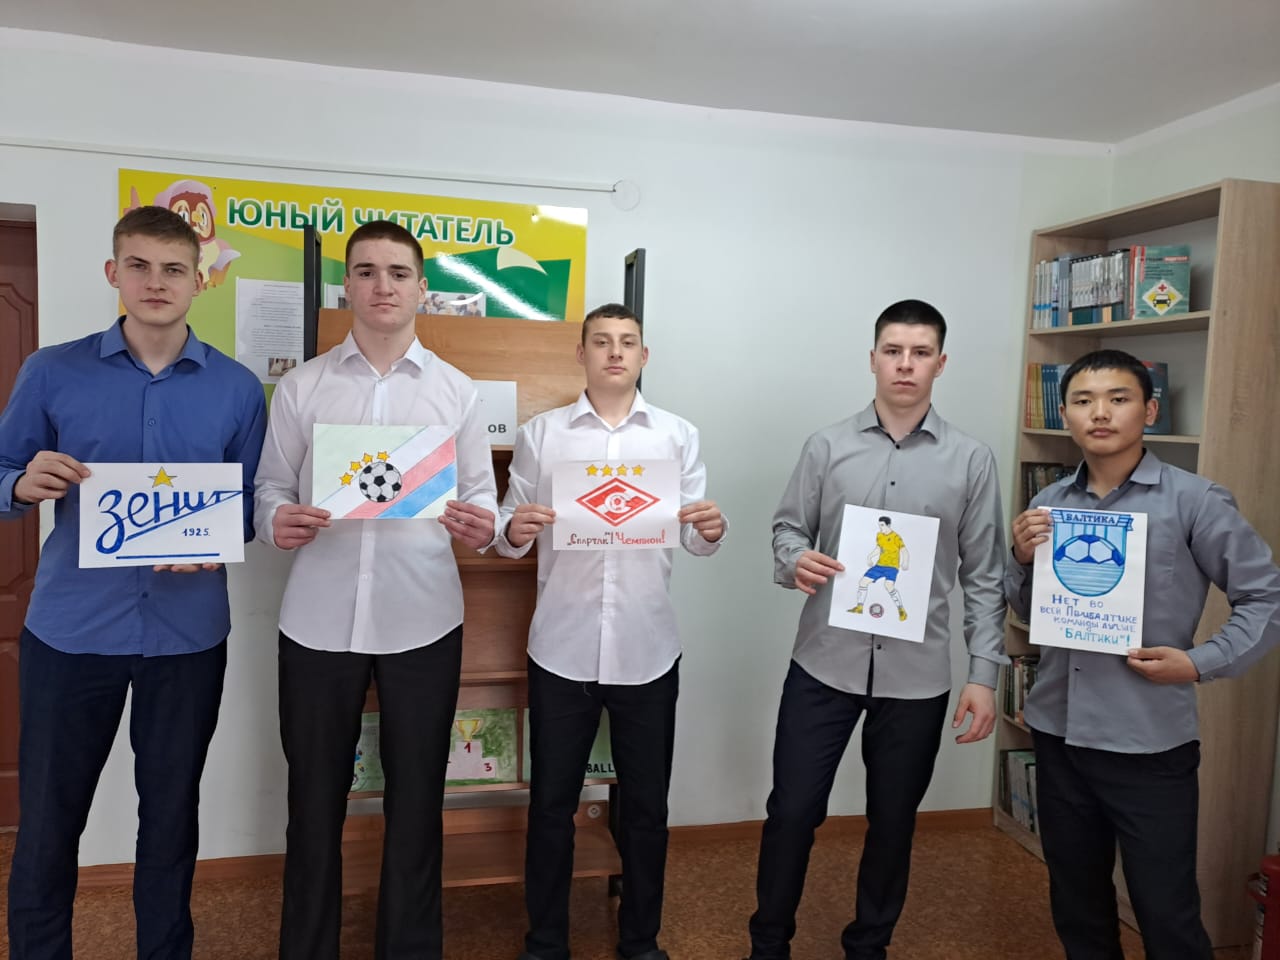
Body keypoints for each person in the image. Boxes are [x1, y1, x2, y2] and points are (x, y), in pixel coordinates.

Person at [0, 205, 267, 959]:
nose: (157, 282)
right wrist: (20, 484)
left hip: (187, 636)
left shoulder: (238, 389)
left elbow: (248, 503)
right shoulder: (51, 370)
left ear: (199, 281)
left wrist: (220, 537)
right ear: (113, 273)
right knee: (49, 821)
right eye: (140, 266)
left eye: (174, 268)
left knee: (172, 817)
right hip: (71, 631)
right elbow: (2, 470)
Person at [253, 219, 499, 960]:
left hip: (424, 619)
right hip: (317, 621)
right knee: (313, 801)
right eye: (365, 271)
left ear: (421, 288)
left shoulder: (457, 392)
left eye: (397, 273)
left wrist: (479, 525)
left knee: (418, 799)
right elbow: (269, 488)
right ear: (348, 287)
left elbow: (483, 503)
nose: (382, 285)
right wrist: (276, 520)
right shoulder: (303, 386)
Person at [745, 298, 1007, 960]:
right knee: (792, 811)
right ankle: (769, 942)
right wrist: (794, 560)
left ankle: (869, 946)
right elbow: (788, 527)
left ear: (941, 363)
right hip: (824, 662)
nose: (905, 365)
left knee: (893, 822)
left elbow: (984, 576)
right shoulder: (826, 447)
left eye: (920, 353)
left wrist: (983, 675)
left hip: (916, 676)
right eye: (893, 351)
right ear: (873, 360)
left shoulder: (972, 460)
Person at [1006, 349, 1280, 960]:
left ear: (1149, 412)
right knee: (1076, 903)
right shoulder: (1050, 501)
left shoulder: (1195, 500)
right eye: (1083, 401)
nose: (1100, 413)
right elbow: (1026, 607)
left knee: (1166, 910)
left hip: (1148, 741)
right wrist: (1021, 560)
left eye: (1118, 398)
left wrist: (1200, 661)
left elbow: (1266, 598)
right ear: (1065, 415)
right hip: (1057, 731)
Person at [494, 302, 725, 960]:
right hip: (561, 647)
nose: (615, 352)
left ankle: (641, 941)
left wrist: (710, 530)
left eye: (627, 342)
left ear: (644, 356)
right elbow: (508, 529)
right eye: (601, 341)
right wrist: (516, 529)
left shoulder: (677, 436)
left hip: (647, 649)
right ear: (582, 354)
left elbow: (695, 536)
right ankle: (545, 942)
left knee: (647, 808)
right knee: (551, 806)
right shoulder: (543, 435)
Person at [849, 516, 909, 620]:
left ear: (888, 525)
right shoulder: (879, 535)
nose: (880, 527)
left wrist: (905, 562)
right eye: (879, 525)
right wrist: (870, 557)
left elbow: (904, 551)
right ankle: (859, 608)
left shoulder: (896, 537)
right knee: (863, 582)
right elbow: (878, 548)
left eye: (882, 525)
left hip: (892, 567)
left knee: (888, 586)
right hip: (879, 566)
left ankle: (901, 610)